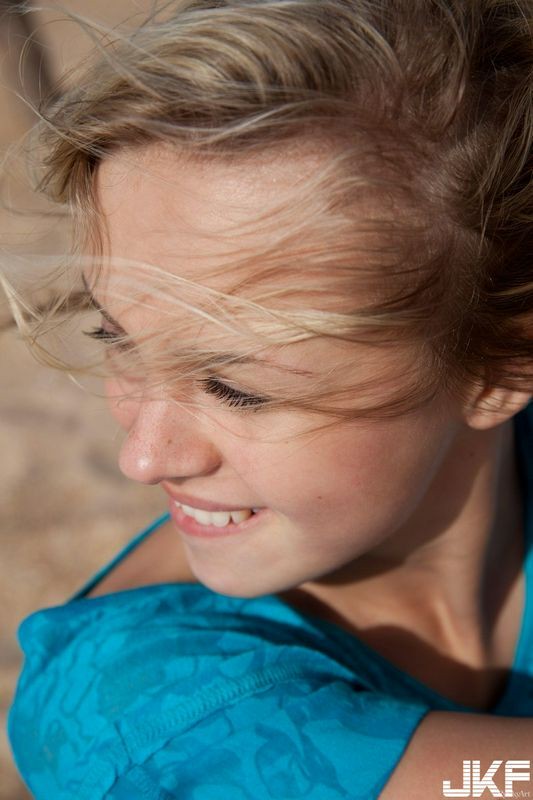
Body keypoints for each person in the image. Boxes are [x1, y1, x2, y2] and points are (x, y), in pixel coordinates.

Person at [4, 1, 533, 798]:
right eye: (118, 338)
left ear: (499, 365)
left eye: (236, 389)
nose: (142, 458)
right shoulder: (150, 718)